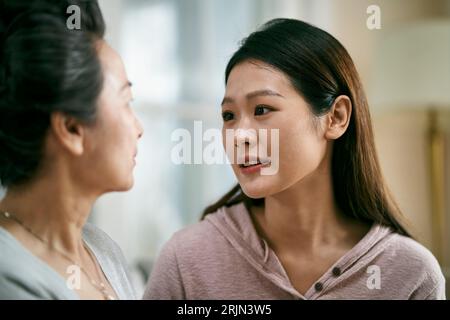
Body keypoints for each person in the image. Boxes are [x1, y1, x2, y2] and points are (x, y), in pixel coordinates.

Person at [144, 18, 445, 300]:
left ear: (336, 118)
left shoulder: (412, 274)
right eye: (229, 116)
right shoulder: (187, 259)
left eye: (262, 109)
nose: (239, 135)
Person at [0, 0, 143, 299]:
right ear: (71, 128)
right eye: (126, 102)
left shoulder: (103, 250)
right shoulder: (9, 275)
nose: (139, 128)